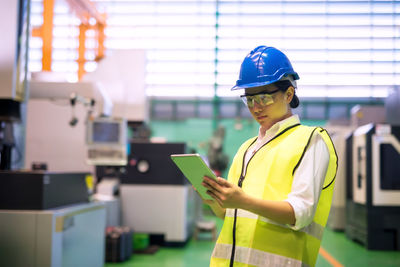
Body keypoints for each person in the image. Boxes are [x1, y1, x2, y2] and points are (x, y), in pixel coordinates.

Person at [201, 46, 338, 267]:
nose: (256, 108)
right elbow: (232, 214)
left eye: (264, 98)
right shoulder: (247, 148)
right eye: (250, 100)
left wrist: (243, 201)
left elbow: (300, 213)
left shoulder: (310, 141)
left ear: (289, 94)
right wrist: (215, 201)